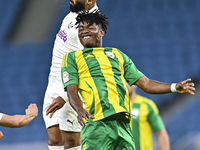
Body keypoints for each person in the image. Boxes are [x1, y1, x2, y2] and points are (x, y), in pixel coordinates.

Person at [59, 10, 195, 150]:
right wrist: (80, 109)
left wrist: (174, 87)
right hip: (97, 125)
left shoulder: (117, 55)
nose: (84, 31)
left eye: (90, 27)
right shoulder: (72, 58)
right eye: (81, 28)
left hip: (123, 126)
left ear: (101, 32)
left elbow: (146, 84)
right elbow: (72, 90)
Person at [43, 0, 99, 150]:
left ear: (90, 1)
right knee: (54, 139)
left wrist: (65, 95)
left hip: (69, 86)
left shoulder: (90, 24)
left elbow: (87, 65)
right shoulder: (74, 14)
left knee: (71, 141)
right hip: (53, 82)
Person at [127, 84, 170, 150]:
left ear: (135, 83)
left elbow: (161, 132)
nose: (125, 84)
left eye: (127, 80)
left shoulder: (146, 105)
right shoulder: (113, 107)